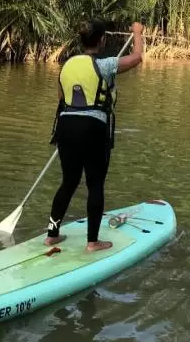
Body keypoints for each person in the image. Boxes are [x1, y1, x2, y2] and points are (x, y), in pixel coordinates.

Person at [45, 19, 145, 252]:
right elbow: (137, 57)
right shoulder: (106, 65)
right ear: (102, 40)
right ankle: (92, 242)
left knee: (68, 182)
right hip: (93, 128)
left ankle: (51, 234)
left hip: (66, 127)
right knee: (95, 184)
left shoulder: (65, 65)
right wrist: (137, 33)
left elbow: (62, 96)